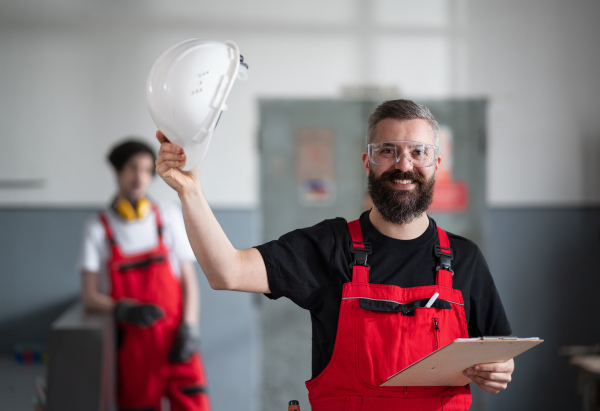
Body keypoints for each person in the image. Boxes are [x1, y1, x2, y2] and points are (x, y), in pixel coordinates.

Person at [155, 99, 514, 410]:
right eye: (388, 150)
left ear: (436, 163)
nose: (404, 165)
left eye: (418, 152)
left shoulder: (465, 259)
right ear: (367, 162)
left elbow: (499, 354)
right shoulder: (330, 247)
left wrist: (499, 371)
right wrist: (190, 191)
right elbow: (227, 272)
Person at [78, 139, 211, 411]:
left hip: (176, 340)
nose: (140, 177)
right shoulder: (97, 228)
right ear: (117, 172)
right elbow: (89, 296)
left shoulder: (168, 216)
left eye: (147, 170)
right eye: (132, 168)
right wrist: (122, 309)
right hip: (134, 349)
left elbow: (189, 282)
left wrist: (190, 327)